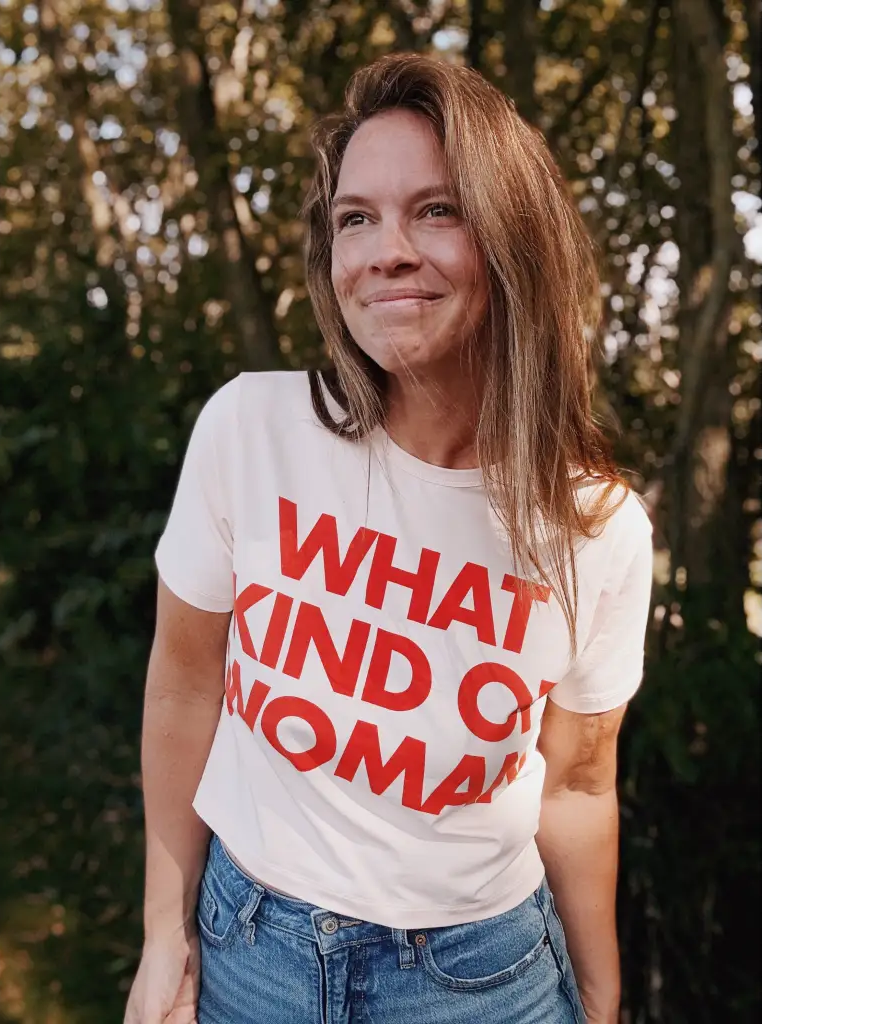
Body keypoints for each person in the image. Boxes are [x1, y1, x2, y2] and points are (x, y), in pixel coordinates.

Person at [125, 51, 653, 1024]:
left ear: (512, 237)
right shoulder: (251, 430)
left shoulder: (596, 526)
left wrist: (601, 995)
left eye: (436, 209)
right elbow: (186, 683)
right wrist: (166, 930)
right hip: (250, 953)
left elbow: (578, 786)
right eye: (355, 218)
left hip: (478, 980)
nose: (386, 251)